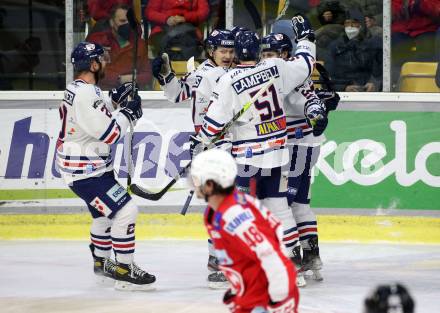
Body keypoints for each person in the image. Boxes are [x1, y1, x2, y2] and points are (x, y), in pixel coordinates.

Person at [195, 16, 320, 287]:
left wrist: (203, 139)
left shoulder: (228, 81)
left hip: (248, 161)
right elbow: (307, 63)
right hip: (277, 155)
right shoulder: (277, 67)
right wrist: (306, 38)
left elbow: (212, 125)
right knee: (280, 209)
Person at [56, 41, 155, 291]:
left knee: (103, 216)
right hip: (87, 173)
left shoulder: (80, 89)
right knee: (125, 211)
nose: (106, 63)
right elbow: (109, 134)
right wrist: (128, 113)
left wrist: (113, 100)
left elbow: (94, 114)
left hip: (87, 169)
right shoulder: (86, 93)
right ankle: (124, 268)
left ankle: (102, 264)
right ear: (93, 64)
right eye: (102, 59)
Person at [152, 28, 235, 288]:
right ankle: (219, 262)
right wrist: (166, 74)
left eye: (231, 51)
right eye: (223, 50)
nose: (228, 55)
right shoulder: (202, 72)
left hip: (227, 144)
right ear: (211, 51)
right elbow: (178, 93)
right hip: (210, 147)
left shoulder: (230, 74)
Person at [260, 32, 339, 286]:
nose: (266, 59)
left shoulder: (288, 74)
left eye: (271, 54)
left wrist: (317, 111)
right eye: (264, 54)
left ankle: (290, 263)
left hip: (295, 149)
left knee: (281, 204)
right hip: (300, 147)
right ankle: (312, 258)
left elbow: (306, 99)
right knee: (299, 205)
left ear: (285, 54)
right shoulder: (287, 71)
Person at [191, 149, 299, 313]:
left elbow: (269, 254)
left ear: (212, 184)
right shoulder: (215, 213)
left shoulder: (234, 214)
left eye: (198, 178)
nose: (194, 182)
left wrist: (276, 296)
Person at [86, 4, 151, 90]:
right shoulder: (97, 41)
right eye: (122, 21)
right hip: (102, 94)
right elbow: (89, 71)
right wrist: (119, 79)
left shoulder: (140, 44)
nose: (127, 25)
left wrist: (133, 78)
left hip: (130, 94)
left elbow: (148, 75)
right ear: (112, 22)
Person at [326, 8, 382, 91]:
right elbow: (327, 77)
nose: (350, 26)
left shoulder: (374, 44)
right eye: (347, 23)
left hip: (370, 93)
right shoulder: (335, 47)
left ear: (361, 24)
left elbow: (384, 72)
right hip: (343, 95)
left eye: (354, 23)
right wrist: (344, 88)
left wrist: (375, 84)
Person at [144, 0, 210, 58]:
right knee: (160, 44)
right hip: (162, 28)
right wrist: (166, 19)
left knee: (192, 44)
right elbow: (150, 12)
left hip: (188, 28)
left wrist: (185, 18)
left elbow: (204, 12)